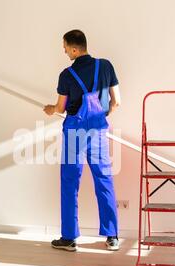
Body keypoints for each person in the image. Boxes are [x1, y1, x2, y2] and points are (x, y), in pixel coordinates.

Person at [44, 30, 121, 252]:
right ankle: (112, 236)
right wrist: (99, 117)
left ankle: (69, 238)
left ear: (75, 49)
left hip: (74, 134)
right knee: (104, 180)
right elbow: (117, 102)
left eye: (66, 47)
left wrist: (50, 109)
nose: (64, 51)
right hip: (97, 133)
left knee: (69, 183)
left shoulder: (66, 75)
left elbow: (60, 108)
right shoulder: (105, 66)